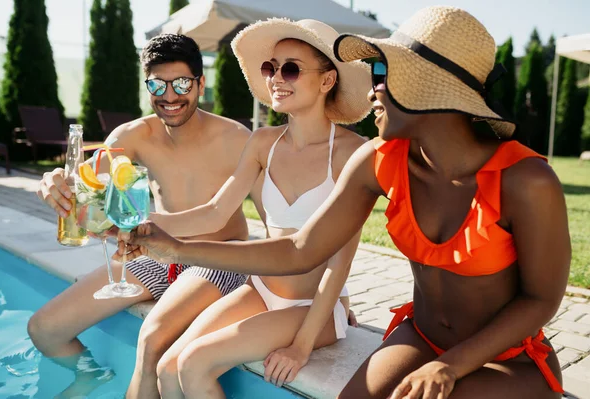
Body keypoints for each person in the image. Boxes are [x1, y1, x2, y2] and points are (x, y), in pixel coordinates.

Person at [119, 7, 571, 399]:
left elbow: (541, 299)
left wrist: (451, 366)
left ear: (430, 90)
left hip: (506, 357)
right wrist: (173, 248)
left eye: (382, 75)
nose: (373, 90)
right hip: (422, 337)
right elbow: (299, 250)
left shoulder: (526, 181)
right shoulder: (378, 161)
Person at [119, 18, 371, 397]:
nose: (275, 78)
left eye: (291, 69)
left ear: (327, 81)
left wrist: (301, 345)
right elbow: (215, 212)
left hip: (316, 305)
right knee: (168, 366)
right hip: (260, 289)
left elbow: (340, 261)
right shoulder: (263, 143)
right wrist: (141, 223)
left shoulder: (353, 153)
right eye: (271, 68)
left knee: (193, 362)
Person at [31, 34, 255, 398]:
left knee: (152, 343)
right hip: (158, 256)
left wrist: (331, 296)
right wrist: (54, 183)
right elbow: (86, 182)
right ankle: (91, 377)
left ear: (200, 83)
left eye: (182, 83)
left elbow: (283, 221)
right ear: (146, 85)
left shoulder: (236, 139)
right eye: (157, 84)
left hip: (216, 257)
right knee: (44, 328)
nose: (169, 96)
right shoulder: (134, 135)